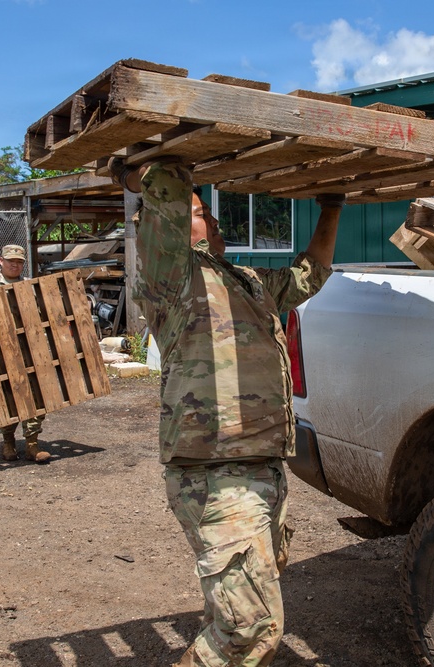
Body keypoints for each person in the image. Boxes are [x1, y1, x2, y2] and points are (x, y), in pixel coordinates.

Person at [111, 157, 343, 666]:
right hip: (215, 474)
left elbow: (307, 277)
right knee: (250, 628)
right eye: (199, 212)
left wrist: (332, 206)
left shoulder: (245, 278)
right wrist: (136, 176)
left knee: (238, 606)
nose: (213, 219)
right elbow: (166, 186)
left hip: (264, 466)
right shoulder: (171, 276)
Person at [0, 244, 50, 463]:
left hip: (28, 347)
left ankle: (32, 444)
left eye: (19, 262)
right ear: (1, 261)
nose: (15, 265)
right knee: (6, 394)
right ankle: (8, 442)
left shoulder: (29, 286)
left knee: (35, 393)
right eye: (10, 261)